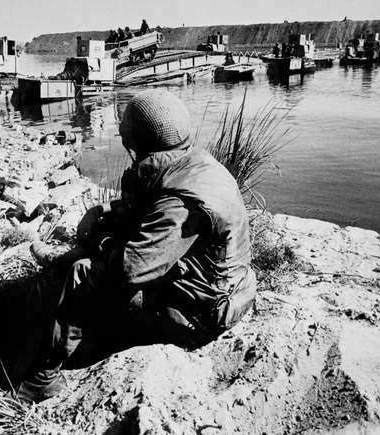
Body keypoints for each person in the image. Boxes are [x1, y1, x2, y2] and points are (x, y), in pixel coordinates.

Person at [20, 90, 257, 402]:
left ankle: (42, 380)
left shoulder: (181, 204)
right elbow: (148, 207)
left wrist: (101, 243)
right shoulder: (192, 162)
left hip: (201, 314)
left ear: (135, 142)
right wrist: (103, 210)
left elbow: (129, 270)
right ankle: (60, 266)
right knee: (108, 230)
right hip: (210, 289)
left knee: (82, 274)